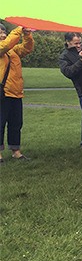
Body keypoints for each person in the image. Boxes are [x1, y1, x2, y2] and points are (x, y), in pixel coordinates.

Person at [0, 25, 34, 163]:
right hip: (3, 92)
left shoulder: (12, 50)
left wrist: (27, 35)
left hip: (16, 92)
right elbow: (6, 45)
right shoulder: (4, 48)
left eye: (4, 32)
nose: (2, 34)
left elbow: (27, 48)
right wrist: (19, 28)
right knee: (0, 123)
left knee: (16, 123)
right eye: (0, 32)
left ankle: (16, 150)